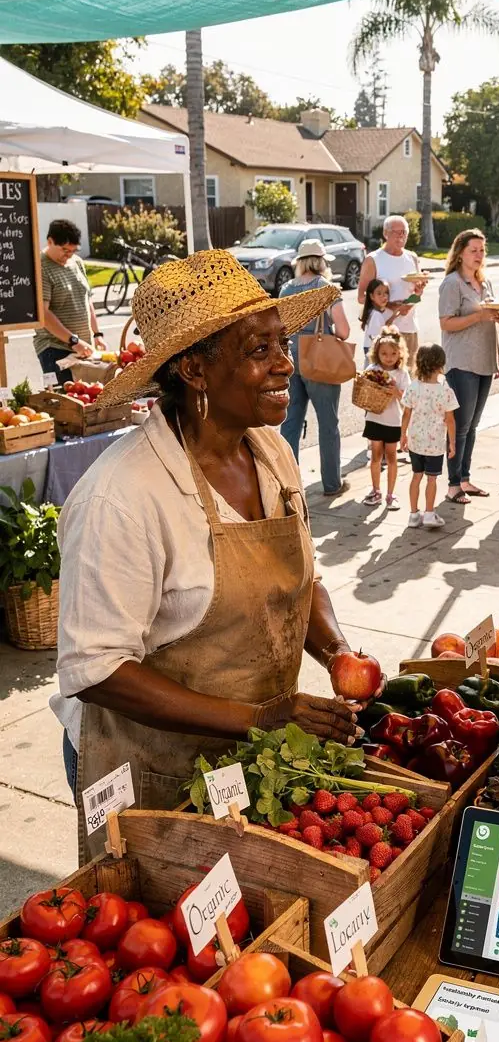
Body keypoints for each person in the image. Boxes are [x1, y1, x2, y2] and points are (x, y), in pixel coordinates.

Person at [53, 249, 374, 863]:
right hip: (151, 769)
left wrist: (336, 652)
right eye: (259, 351)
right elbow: (95, 669)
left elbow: (300, 581)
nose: (286, 365)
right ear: (195, 372)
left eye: (284, 343)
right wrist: (262, 717)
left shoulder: (272, 452)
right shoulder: (123, 496)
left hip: (249, 760)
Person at [438, 227, 499, 505]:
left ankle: (465, 478)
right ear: (460, 254)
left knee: (474, 425)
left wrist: (498, 355)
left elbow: (489, 319)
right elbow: (446, 323)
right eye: (473, 250)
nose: (479, 255)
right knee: (460, 426)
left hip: (484, 361)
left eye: (482, 250)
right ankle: (453, 484)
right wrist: (479, 317)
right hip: (462, 362)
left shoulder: (484, 282)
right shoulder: (451, 284)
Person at [279, 237, 352, 498]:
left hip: (290, 361)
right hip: (320, 362)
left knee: (290, 425)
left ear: (300, 262)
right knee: (328, 424)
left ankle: (288, 485)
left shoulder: (286, 289)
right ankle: (332, 483)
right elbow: (343, 330)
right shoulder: (327, 289)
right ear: (321, 261)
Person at [36, 219, 104, 386]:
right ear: (50, 241)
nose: (69, 255)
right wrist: (73, 341)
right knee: (65, 403)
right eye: (65, 250)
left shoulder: (77, 263)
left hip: (82, 347)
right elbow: (43, 314)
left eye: (73, 251)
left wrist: (97, 334)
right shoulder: (40, 266)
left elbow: (86, 300)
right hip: (55, 349)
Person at [358, 215, 425, 375]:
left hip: (409, 329)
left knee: (407, 386)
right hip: (383, 333)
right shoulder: (373, 259)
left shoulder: (412, 258)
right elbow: (362, 297)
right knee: (379, 386)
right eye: (397, 232)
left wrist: (417, 293)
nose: (401, 236)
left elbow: (416, 295)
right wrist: (390, 305)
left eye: (404, 232)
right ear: (385, 234)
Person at [401, 344, 457, 529]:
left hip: (416, 442)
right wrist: (452, 443)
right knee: (431, 479)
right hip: (434, 445)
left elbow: (406, 414)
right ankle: (429, 513)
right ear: (441, 365)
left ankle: (413, 514)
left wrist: (403, 435)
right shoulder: (445, 390)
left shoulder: (413, 387)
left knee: (416, 476)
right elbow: (450, 420)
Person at [362, 332, 409, 511]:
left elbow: (407, 400)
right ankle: (376, 490)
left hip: (393, 421)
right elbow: (364, 392)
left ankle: (391, 494)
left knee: (391, 457)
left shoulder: (402, 374)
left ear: (400, 354)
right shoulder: (373, 370)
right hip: (374, 419)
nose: (389, 358)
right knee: (375, 456)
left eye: (393, 354)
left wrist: (395, 391)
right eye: (384, 354)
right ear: (377, 353)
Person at [360, 277, 397, 355]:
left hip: (370, 347)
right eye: (379, 293)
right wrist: (394, 316)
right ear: (371, 296)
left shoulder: (373, 311)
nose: (384, 296)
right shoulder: (376, 314)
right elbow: (376, 335)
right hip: (373, 348)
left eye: (386, 293)